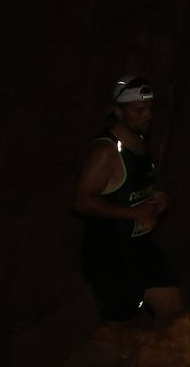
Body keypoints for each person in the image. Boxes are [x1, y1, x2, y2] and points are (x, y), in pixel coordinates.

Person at [73, 75, 183, 325]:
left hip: (141, 247)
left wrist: (156, 200)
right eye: (139, 110)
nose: (148, 116)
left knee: (174, 314)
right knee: (124, 333)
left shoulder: (141, 144)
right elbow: (81, 201)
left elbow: (134, 191)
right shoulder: (107, 150)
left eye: (150, 109)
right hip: (109, 254)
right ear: (118, 112)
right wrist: (133, 214)